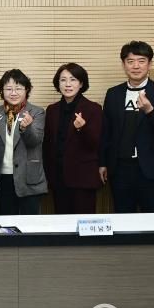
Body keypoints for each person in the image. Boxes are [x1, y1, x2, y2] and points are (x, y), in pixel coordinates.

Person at [99, 41, 154, 213]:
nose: (136, 66)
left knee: (151, 217)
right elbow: (106, 132)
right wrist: (103, 163)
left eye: (141, 61)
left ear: (150, 64)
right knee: (122, 216)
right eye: (130, 61)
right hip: (119, 168)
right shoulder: (113, 93)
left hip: (151, 167)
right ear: (123, 64)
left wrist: (150, 111)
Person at [43, 63, 103, 214]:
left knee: (84, 223)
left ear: (81, 83)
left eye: (73, 79)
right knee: (61, 222)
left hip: (83, 179)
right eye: (63, 80)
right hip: (58, 178)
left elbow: (96, 144)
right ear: (58, 84)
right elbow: (47, 145)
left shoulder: (93, 108)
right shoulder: (52, 110)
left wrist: (82, 128)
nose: (68, 84)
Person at [0, 69, 47, 215]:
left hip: (29, 177)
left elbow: (35, 141)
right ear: (2, 91)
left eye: (18, 88)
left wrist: (26, 128)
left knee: (30, 223)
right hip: (3, 177)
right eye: (8, 89)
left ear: (26, 90)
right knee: (7, 222)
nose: (13, 93)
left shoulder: (37, 112)